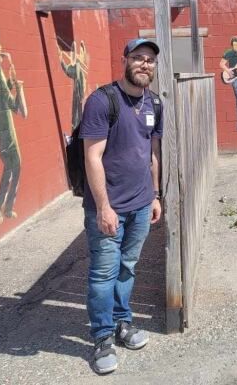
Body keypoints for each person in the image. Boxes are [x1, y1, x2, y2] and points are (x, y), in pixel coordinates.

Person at [78, 38, 163, 375]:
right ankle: (101, 338)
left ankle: (122, 323)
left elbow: (152, 152)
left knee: (127, 267)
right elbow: (92, 156)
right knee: (103, 274)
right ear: (125, 59)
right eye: (139, 58)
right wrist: (103, 207)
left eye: (150, 61)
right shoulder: (102, 100)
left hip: (142, 204)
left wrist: (156, 195)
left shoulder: (155, 103)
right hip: (109, 207)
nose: (145, 64)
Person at [0, 26, 24, 223]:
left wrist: (9, 80)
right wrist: (17, 89)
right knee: (14, 165)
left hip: (5, 126)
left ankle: (4, 208)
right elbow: (9, 102)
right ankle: (2, 207)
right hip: (5, 128)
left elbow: (1, 94)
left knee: (12, 167)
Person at [58, 39, 88, 131]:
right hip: (80, 96)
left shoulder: (78, 67)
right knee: (78, 118)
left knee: (76, 119)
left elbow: (68, 71)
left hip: (79, 96)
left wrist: (61, 59)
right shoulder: (82, 66)